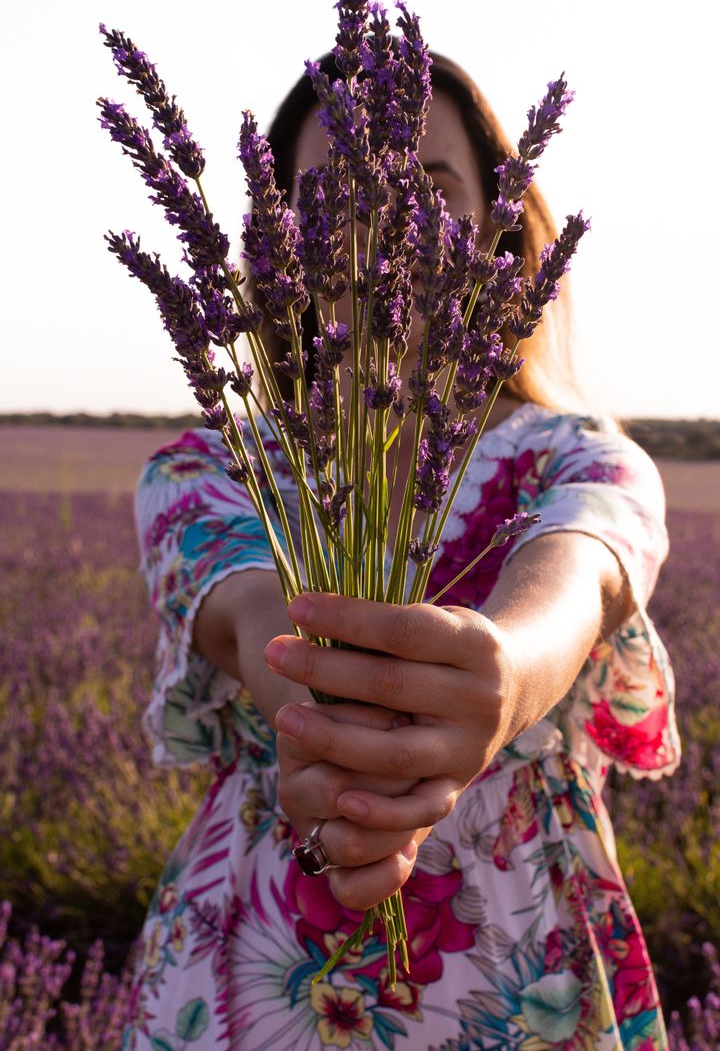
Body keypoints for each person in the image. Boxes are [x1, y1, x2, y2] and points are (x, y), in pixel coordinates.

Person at [122, 51, 679, 1050]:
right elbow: (249, 613)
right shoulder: (217, 466)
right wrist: (320, 718)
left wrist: (505, 674)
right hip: (256, 976)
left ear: (504, 229)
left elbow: (584, 564)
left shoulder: (576, 456)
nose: (382, 233)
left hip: (516, 978)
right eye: (330, 200)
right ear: (273, 247)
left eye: (426, 193)